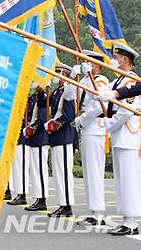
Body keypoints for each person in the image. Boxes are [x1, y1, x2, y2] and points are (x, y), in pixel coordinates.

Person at [102, 43, 141, 236]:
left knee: (129, 180)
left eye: (117, 58)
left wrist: (109, 124)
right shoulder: (118, 81)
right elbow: (101, 96)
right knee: (121, 180)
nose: (114, 60)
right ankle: (126, 219)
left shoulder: (131, 80)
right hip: (120, 135)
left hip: (128, 135)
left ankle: (131, 222)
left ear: (125, 60)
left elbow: (126, 111)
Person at [68, 51, 109, 226]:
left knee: (95, 171)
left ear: (97, 65)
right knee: (88, 172)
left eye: (89, 62)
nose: (86, 64)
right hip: (87, 129)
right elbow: (69, 95)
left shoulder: (100, 81)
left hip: (95, 128)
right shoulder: (86, 79)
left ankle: (99, 212)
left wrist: (81, 119)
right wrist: (74, 75)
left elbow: (100, 105)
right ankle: (93, 211)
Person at [44, 63, 76, 218]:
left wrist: (53, 124)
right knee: (58, 173)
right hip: (57, 138)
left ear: (65, 74)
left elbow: (69, 115)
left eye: (58, 73)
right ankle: (62, 204)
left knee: (64, 173)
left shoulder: (67, 91)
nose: (56, 76)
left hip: (64, 136)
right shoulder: (57, 92)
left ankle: (67, 205)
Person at [23, 85, 49, 212]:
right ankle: (38, 198)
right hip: (34, 138)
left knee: (40, 170)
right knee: (35, 171)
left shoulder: (42, 95)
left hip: (40, 137)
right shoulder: (36, 95)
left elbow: (42, 119)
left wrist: (31, 129)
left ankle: (42, 199)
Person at [7, 88, 33, 206]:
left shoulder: (25, 102)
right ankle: (18, 193)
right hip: (15, 138)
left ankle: (22, 195)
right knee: (16, 168)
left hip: (22, 138)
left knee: (21, 168)